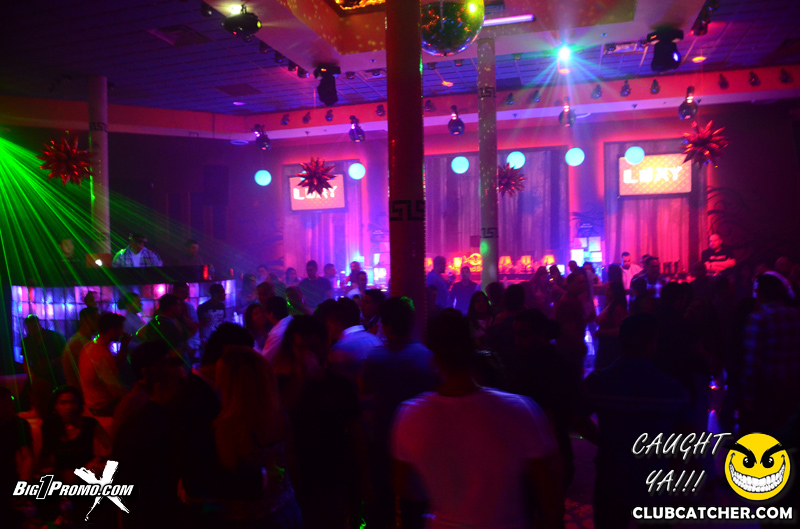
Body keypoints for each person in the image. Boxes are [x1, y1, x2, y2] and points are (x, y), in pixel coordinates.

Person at [392, 310, 563, 529]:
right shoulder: (520, 410)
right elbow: (550, 499)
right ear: (473, 347)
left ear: (432, 356)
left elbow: (403, 487)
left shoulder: (410, 416)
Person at [583, 314, 690, 529]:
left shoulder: (599, 381)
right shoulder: (672, 389)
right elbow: (685, 437)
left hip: (611, 476)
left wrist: (603, 441)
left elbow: (576, 415)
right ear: (652, 344)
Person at [278, 316, 365, 529]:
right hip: (295, 478)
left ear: (324, 345)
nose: (307, 354)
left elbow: (356, 434)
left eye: (313, 347)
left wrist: (363, 481)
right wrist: (301, 380)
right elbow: (279, 422)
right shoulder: (280, 384)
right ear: (291, 347)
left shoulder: (339, 385)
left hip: (333, 476)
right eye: (301, 347)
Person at [361, 296, 437, 529]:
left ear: (386, 325)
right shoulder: (427, 357)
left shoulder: (375, 357)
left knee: (383, 501)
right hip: (419, 441)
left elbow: (364, 394)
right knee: (416, 505)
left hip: (384, 438)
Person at [213, 347, 301, 528]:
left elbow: (230, 481)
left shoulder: (230, 427)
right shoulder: (279, 414)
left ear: (230, 383)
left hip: (251, 517)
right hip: (287, 507)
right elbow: (291, 459)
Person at [508, 309, 586, 487]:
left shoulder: (522, 365)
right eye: (516, 335)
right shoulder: (562, 365)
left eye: (523, 335)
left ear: (542, 335)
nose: (516, 341)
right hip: (551, 452)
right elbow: (576, 417)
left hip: (536, 454)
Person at [741, 273, 800, 434]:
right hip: (793, 383)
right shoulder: (796, 314)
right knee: (789, 431)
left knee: (767, 432)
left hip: (768, 385)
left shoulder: (758, 317)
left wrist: (748, 393)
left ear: (761, 292)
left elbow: (752, 359)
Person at [39, 386, 110, 485]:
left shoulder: (90, 423)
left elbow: (111, 447)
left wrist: (99, 459)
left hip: (86, 473)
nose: (69, 407)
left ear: (79, 404)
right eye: (63, 403)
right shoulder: (49, 426)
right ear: (55, 406)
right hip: (59, 476)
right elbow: (44, 457)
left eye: (73, 402)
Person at [79, 312, 130, 420]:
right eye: (121, 328)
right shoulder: (100, 354)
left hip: (92, 404)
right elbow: (116, 390)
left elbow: (115, 369)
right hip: (102, 407)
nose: (122, 332)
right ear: (112, 330)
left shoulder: (90, 346)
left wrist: (124, 346)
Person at [322, 297, 384, 381]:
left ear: (335, 322)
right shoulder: (376, 340)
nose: (328, 328)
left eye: (329, 323)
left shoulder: (340, 349)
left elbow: (336, 385)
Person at [22, 314, 67, 418]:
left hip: (55, 376)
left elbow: (66, 357)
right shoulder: (27, 341)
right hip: (37, 377)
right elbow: (26, 362)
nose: (32, 330)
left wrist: (51, 362)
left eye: (34, 326)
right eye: (29, 328)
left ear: (39, 324)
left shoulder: (55, 337)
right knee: (23, 401)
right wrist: (32, 378)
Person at [0, 387, 33, 529]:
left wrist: (22, 486)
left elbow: (27, 457)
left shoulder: (19, 424)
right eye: (4, 405)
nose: (10, 408)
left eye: (11, 403)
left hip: (11, 480)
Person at [62, 307, 99, 390]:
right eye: (96, 319)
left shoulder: (79, 341)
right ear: (86, 320)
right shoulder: (80, 343)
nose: (99, 323)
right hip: (80, 391)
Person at [594, 281, 627, 370]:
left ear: (615, 292)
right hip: (606, 345)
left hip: (611, 346)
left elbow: (620, 330)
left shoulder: (617, 307)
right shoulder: (609, 305)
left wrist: (602, 332)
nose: (606, 292)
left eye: (609, 290)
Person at [172, 282, 200, 362]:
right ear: (174, 292)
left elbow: (195, 327)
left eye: (187, 292)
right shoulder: (166, 310)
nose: (186, 295)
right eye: (182, 292)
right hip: (176, 349)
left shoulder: (189, 306)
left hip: (190, 347)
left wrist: (195, 346)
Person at [262, 296, 293, 362]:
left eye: (266, 313)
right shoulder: (293, 320)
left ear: (271, 314)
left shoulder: (276, 334)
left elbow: (265, 359)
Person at [198, 283, 227, 349]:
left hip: (219, 338)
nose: (225, 294)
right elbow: (200, 325)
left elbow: (222, 321)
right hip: (206, 340)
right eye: (222, 292)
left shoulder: (222, 306)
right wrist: (202, 339)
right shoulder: (203, 307)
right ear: (216, 294)